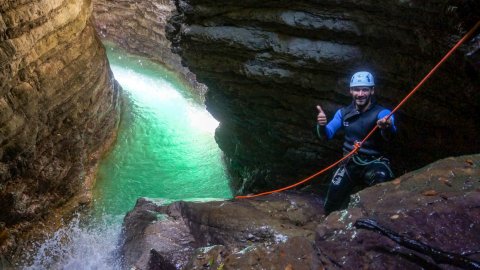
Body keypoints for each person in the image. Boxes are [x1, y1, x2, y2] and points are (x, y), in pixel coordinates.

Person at [316, 71, 396, 214]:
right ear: (351, 91)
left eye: (365, 89)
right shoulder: (343, 113)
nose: (360, 94)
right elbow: (326, 135)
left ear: (372, 90)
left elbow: (391, 135)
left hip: (374, 163)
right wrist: (321, 126)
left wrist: (386, 126)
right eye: (356, 89)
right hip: (350, 163)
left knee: (382, 182)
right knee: (330, 206)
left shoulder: (382, 113)